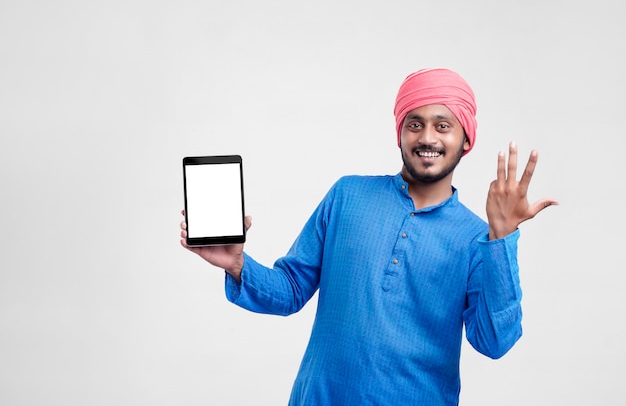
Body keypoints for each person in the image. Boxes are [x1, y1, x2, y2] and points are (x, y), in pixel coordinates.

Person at [179, 68, 558, 405]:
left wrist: (502, 240)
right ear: (399, 133)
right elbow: (291, 289)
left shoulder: (477, 239)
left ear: (466, 140)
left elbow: (493, 342)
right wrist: (238, 265)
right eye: (414, 124)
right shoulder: (347, 196)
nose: (427, 137)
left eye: (443, 125)